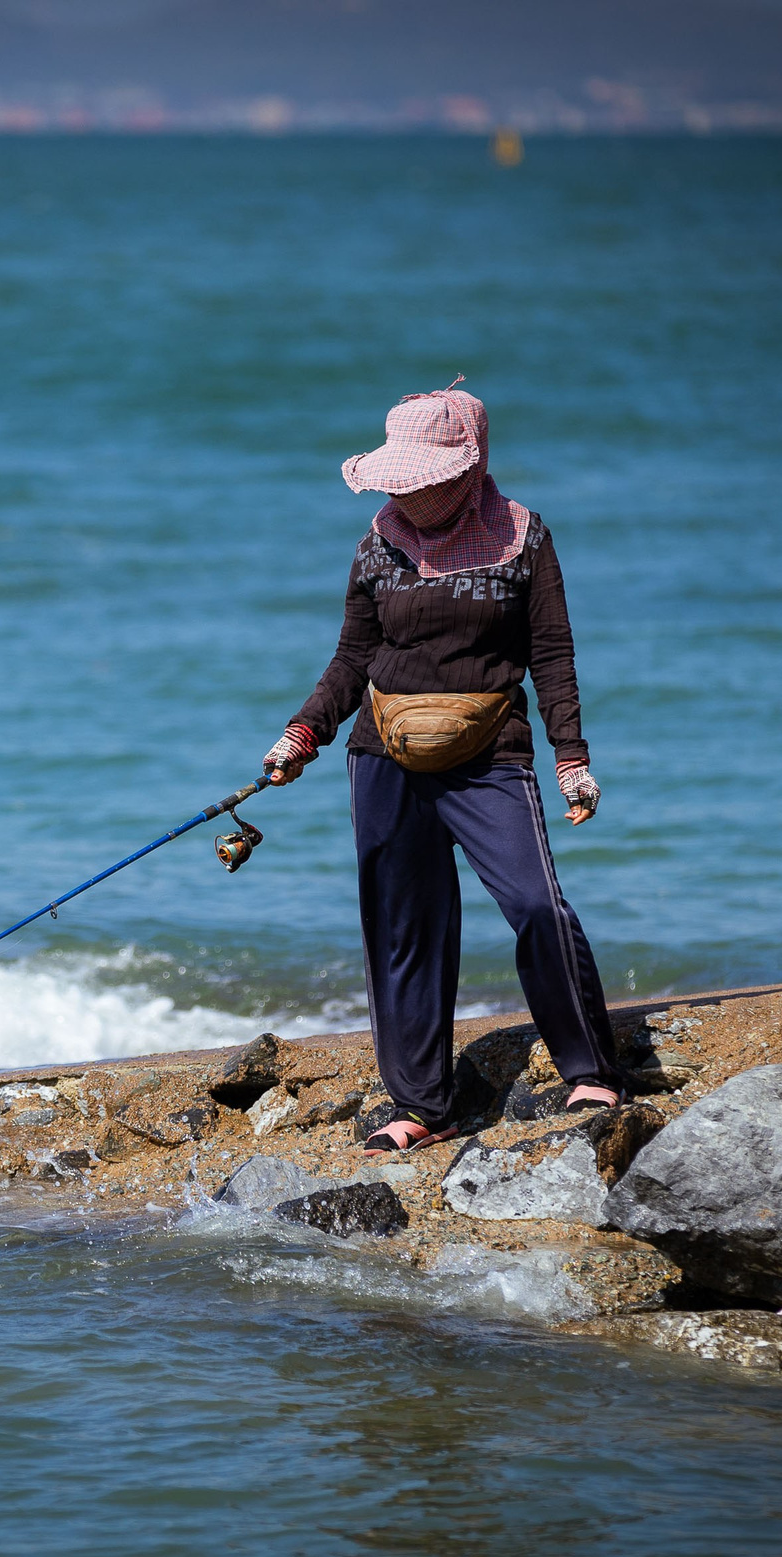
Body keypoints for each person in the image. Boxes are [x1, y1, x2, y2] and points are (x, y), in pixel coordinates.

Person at [260, 381, 620, 1154]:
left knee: (536, 905)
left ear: (469, 465)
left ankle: (589, 1066)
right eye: (400, 478)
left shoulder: (524, 539)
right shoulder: (376, 543)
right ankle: (423, 1104)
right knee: (403, 930)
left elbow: (551, 653)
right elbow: (353, 655)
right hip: (383, 755)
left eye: (423, 477)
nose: (407, 493)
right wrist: (301, 733)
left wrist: (572, 758)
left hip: (490, 754)